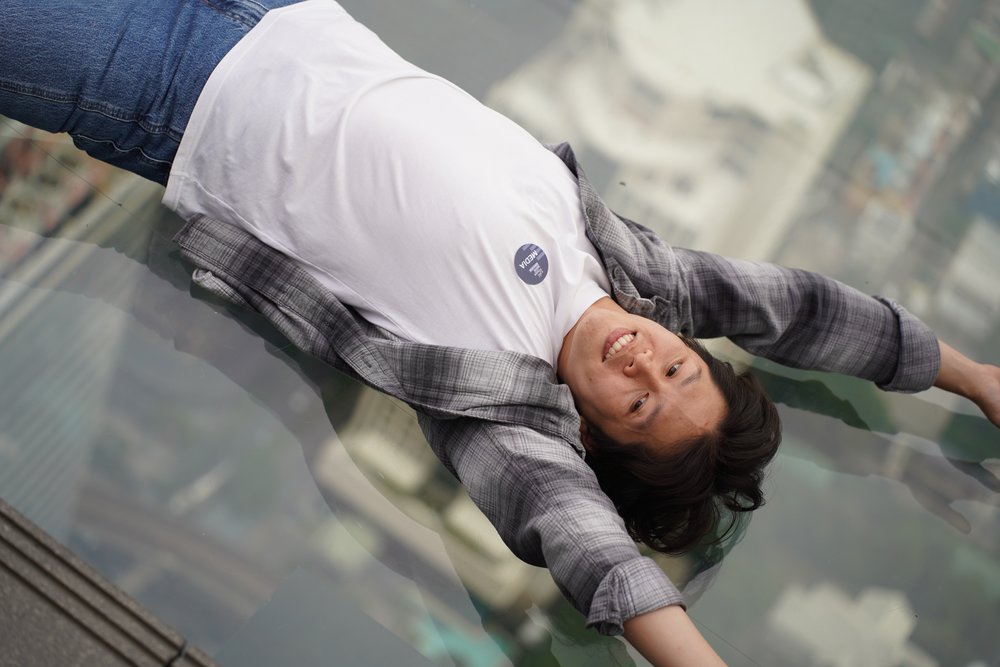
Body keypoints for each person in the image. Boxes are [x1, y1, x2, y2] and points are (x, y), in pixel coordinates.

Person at [2, 1, 998, 664]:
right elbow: (802, 308)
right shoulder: (635, 273)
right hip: (281, 15)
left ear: (591, 435)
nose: (645, 363)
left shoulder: (500, 409)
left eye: (638, 404)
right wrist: (970, 375)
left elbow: (593, 556)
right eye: (678, 369)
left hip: (159, 84)